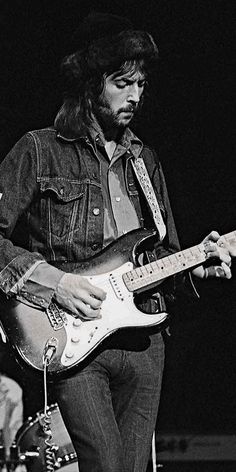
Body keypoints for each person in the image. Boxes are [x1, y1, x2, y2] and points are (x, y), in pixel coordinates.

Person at [0, 12, 232, 472]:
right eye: (122, 83)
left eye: (141, 85)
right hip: (73, 334)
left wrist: (199, 264)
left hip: (144, 340)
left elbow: (162, 252)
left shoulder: (145, 160)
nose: (135, 96)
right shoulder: (39, 149)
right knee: (103, 464)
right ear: (90, 84)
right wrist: (53, 282)